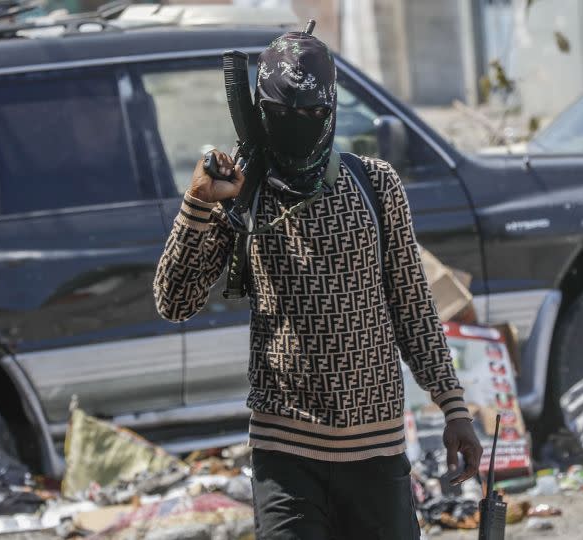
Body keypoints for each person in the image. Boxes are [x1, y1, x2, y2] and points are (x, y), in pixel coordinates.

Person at [154, 29, 482, 540]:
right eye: (283, 115)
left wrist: (453, 407)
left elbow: (413, 306)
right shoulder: (242, 193)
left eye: (311, 114)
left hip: (376, 453)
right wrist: (200, 205)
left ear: (330, 113)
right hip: (285, 455)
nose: (298, 126)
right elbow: (174, 302)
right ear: (261, 114)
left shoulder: (376, 185)